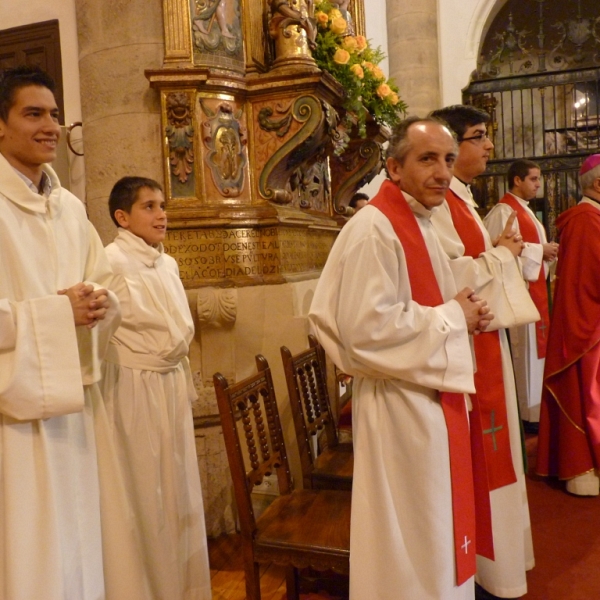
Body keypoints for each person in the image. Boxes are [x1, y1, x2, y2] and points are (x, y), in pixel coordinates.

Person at [309, 116, 493, 600]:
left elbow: (420, 297)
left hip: (423, 394)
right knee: (410, 534)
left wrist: (466, 306)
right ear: (393, 166)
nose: (442, 172)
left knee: (429, 526)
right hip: (398, 403)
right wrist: (455, 317)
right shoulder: (376, 227)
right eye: (427, 159)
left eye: (448, 160)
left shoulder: (419, 220)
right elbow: (367, 330)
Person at [0, 65, 149, 599]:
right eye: (33, 113)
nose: (50, 126)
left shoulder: (68, 209)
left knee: (79, 542)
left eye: (56, 114)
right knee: (30, 548)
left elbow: (104, 284)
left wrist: (97, 304)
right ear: (1, 124)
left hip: (76, 407)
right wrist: (54, 313)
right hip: (15, 416)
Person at [429, 105, 536, 599]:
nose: (488, 146)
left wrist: (495, 252)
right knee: (486, 460)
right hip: (469, 347)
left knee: (500, 455)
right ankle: (489, 573)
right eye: (478, 137)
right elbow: (452, 278)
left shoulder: (463, 199)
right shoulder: (442, 203)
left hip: (483, 343)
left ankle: (499, 566)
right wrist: (503, 254)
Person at [101, 176, 212, 599]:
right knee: (145, 492)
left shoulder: (168, 263)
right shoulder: (108, 261)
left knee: (178, 489)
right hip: (133, 388)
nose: (161, 214)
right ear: (122, 216)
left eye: (162, 205)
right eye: (149, 206)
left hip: (168, 385)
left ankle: (183, 587)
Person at [536, 154, 600, 497]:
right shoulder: (587, 220)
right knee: (586, 396)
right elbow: (592, 276)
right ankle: (581, 465)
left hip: (591, 324)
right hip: (587, 329)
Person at [484, 159, 558, 426]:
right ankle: (526, 415)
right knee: (522, 355)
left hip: (532, 293)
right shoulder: (503, 212)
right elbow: (498, 252)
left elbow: (523, 248)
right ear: (517, 180)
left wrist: (545, 251)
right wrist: (540, 251)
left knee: (533, 356)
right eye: (534, 179)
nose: (538, 184)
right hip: (519, 296)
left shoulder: (525, 212)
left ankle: (535, 412)